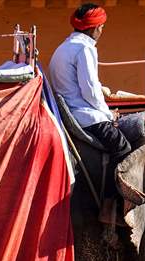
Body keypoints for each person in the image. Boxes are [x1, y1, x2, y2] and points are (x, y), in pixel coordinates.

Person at [48, 3, 131, 162]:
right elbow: (90, 91)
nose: (101, 31)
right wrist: (109, 115)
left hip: (70, 112)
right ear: (95, 28)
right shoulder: (84, 49)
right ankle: (113, 187)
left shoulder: (63, 47)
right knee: (123, 148)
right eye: (101, 27)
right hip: (85, 116)